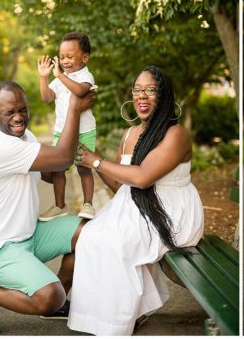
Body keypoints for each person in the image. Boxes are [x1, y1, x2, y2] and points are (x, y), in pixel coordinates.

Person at [66, 66, 203, 335]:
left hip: (170, 211)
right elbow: (120, 185)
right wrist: (93, 159)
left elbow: (141, 178)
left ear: (163, 95)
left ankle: (117, 323)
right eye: (138, 89)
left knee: (116, 242)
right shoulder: (130, 134)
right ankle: (102, 318)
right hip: (133, 204)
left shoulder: (175, 134)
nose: (143, 95)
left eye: (150, 90)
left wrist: (97, 160)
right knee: (91, 236)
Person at [0, 80, 95, 335]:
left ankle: (54, 301)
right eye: (9, 112)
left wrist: (92, 158)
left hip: (27, 235)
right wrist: (74, 109)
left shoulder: (24, 136)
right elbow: (62, 158)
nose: (18, 117)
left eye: (23, 109)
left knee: (87, 232)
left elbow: (52, 168)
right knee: (49, 296)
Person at [37, 32, 98, 220]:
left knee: (83, 167)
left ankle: (88, 204)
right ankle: (60, 205)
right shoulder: (59, 78)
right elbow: (47, 97)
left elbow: (80, 91)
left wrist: (61, 76)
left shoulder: (85, 76)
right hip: (61, 132)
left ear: (85, 57)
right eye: (62, 57)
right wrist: (44, 78)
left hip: (84, 131)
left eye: (70, 57)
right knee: (58, 168)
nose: (65, 61)